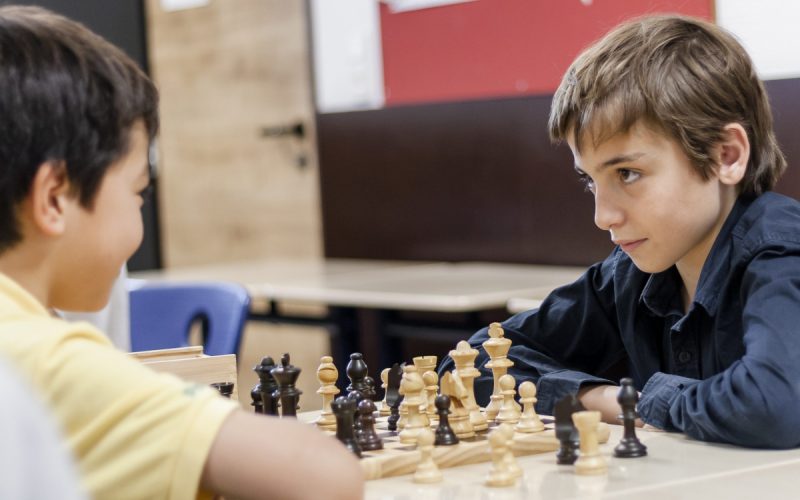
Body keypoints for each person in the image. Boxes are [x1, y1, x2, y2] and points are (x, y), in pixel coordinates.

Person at [0, 6, 362, 500]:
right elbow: (324, 475)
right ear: (54, 197)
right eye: (138, 192)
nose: (140, 212)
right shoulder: (49, 363)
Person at [440, 15, 800, 449]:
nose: (602, 216)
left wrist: (649, 404)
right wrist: (606, 400)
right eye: (590, 181)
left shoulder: (781, 254)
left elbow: (774, 406)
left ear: (726, 155)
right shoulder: (632, 274)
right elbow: (471, 364)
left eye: (627, 173)